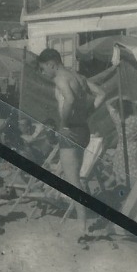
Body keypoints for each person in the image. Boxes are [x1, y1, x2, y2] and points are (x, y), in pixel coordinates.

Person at [36, 48, 106, 239]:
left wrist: (65, 121)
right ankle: (82, 221)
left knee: (73, 182)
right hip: (83, 129)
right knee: (75, 179)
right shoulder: (80, 78)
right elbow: (101, 93)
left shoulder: (60, 78)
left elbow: (70, 98)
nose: (44, 73)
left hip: (70, 130)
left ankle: (82, 225)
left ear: (52, 64)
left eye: (43, 69)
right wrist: (88, 112)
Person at [107, 100, 137, 187]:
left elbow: (108, 104)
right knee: (134, 170)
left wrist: (117, 99)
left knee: (121, 168)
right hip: (133, 147)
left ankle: (121, 185)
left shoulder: (117, 118)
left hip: (122, 146)